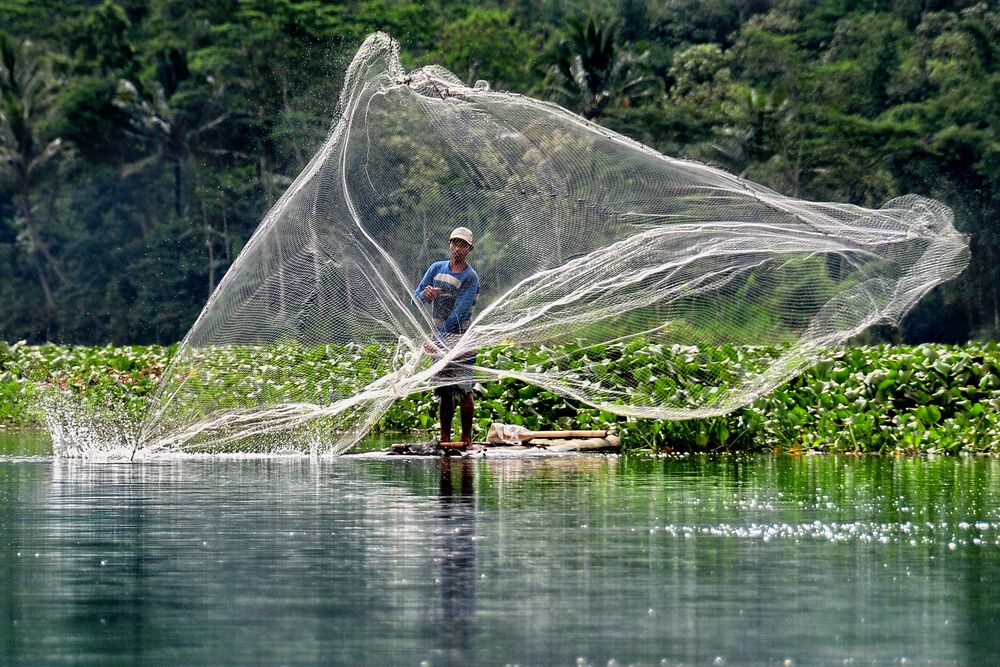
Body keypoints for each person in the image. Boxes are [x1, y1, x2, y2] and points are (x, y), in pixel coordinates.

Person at [413, 227, 480, 446]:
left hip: (462, 340)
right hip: (439, 339)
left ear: (470, 250)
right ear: (450, 245)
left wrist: (437, 340)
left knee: (464, 388)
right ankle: (444, 438)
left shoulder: (470, 278)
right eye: (456, 243)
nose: (458, 248)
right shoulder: (436, 269)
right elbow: (415, 300)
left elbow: (458, 314)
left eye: (464, 245)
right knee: (444, 390)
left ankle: (466, 439)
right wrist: (425, 294)